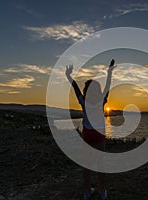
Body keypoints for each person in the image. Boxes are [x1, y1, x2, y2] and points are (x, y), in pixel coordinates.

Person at [65, 59, 116, 200]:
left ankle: (87, 192)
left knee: (86, 165)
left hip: (87, 134)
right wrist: (110, 71)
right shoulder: (101, 101)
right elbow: (108, 85)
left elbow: (75, 87)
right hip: (99, 134)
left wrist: (69, 76)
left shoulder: (83, 101)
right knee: (101, 164)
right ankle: (102, 192)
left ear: (86, 91)